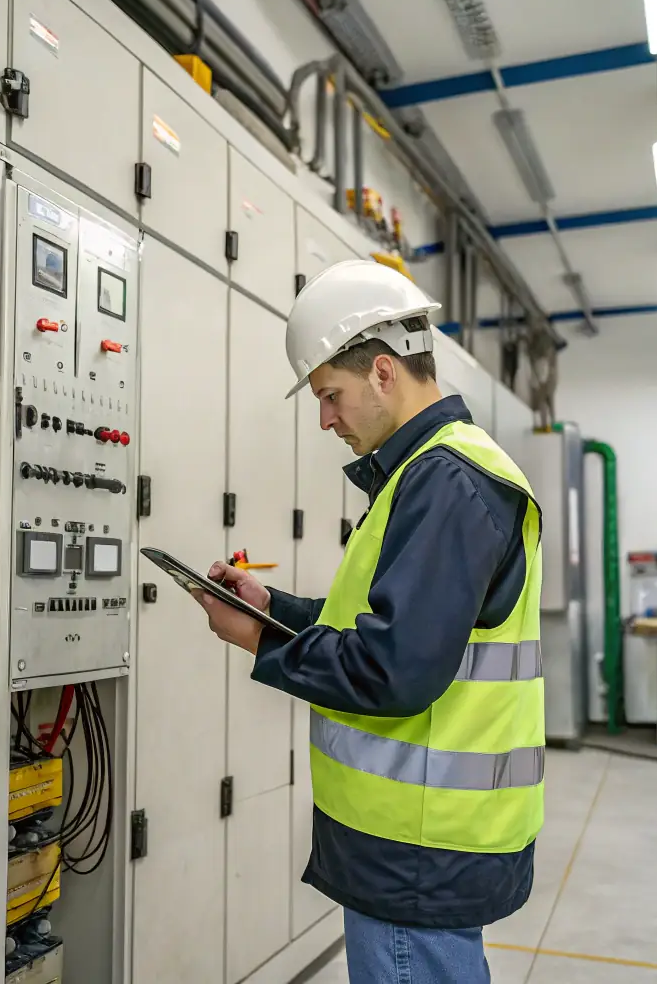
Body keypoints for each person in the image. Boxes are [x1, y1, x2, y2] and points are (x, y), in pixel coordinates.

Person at [193, 260, 544, 984]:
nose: (325, 419)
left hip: (418, 850)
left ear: (383, 373)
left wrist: (259, 643)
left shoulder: (447, 480)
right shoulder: (429, 474)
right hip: (418, 843)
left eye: (330, 395)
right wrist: (274, 610)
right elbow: (388, 627)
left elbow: (393, 669)